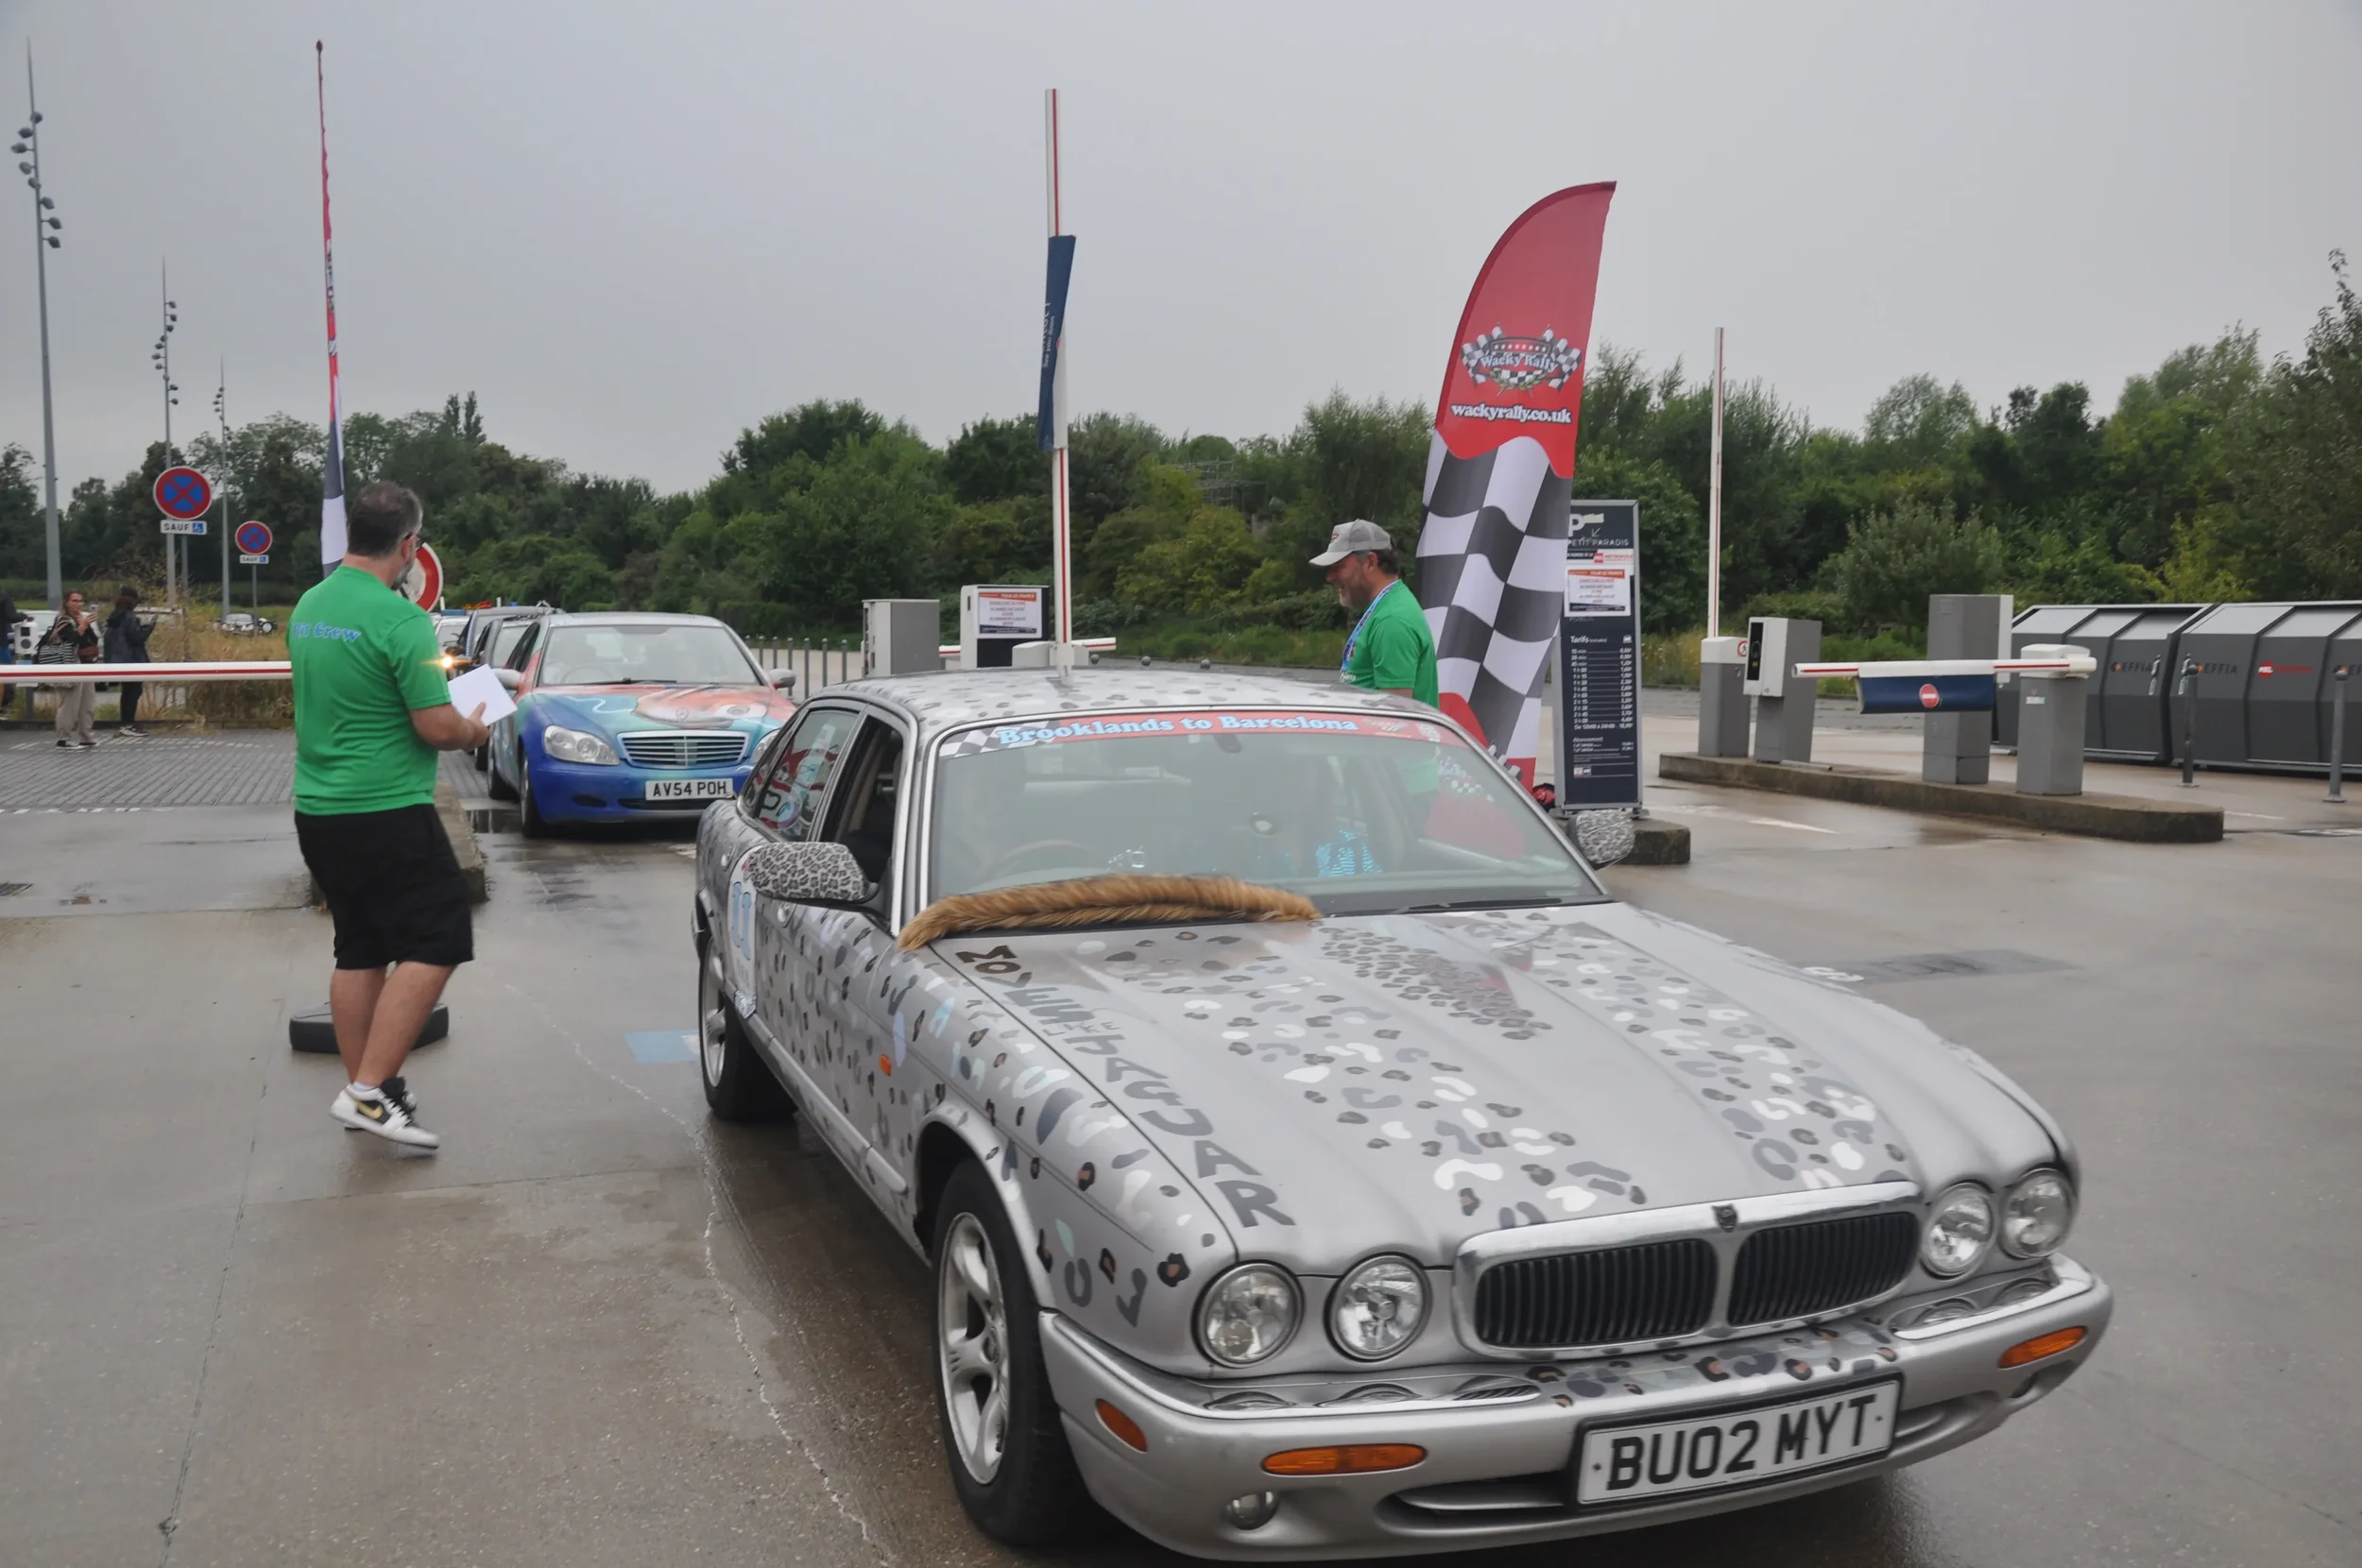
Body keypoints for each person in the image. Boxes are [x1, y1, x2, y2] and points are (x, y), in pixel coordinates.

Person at [288, 480, 489, 1150]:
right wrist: (476, 729)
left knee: (362, 946)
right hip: (385, 808)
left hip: (319, 807)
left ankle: (367, 1091)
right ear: (408, 546)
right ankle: (370, 1091)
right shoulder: (400, 620)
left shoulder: (311, 606)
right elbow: (436, 726)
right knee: (440, 938)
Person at [1310, 519, 1439, 707]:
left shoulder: (1392, 620)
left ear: (1370, 562)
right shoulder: (1387, 608)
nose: (1330, 577)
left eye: (1338, 567)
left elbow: (1396, 720)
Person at [37, 588, 99, 746]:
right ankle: (64, 737)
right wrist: (81, 627)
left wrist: (86, 625)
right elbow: (71, 640)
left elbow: (92, 641)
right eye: (74, 601)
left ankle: (87, 735)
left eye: (80, 601)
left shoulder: (80, 619)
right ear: (66, 602)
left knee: (87, 703)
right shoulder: (63, 621)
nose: (78, 604)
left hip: (85, 666)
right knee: (69, 704)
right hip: (69, 665)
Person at [104, 588, 153, 735]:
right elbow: (136, 638)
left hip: (119, 660)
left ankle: (126, 723)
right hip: (132, 659)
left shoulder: (115, 616)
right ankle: (128, 724)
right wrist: (148, 628)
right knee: (133, 691)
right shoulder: (130, 618)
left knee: (127, 692)